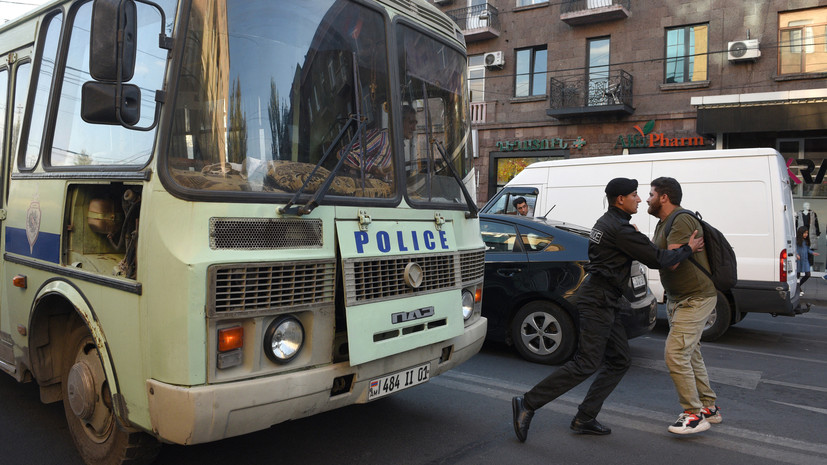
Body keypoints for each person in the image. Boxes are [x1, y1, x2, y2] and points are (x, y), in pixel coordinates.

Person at [512, 177, 704, 442]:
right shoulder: (620, 230)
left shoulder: (607, 223)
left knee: (620, 360)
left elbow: (616, 251)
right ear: (620, 200)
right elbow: (658, 259)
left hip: (605, 299)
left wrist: (633, 240)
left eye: (640, 195)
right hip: (598, 301)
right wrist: (688, 249)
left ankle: (585, 417)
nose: (639, 199)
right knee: (586, 362)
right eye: (635, 195)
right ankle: (528, 402)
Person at [647, 176, 720, 435]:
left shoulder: (680, 220)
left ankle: (693, 414)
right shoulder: (663, 223)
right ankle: (709, 407)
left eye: (651, 193)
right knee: (691, 354)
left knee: (675, 354)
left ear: (663, 197)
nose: (647, 198)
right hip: (680, 297)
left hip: (695, 297)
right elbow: (661, 254)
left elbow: (672, 261)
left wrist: (655, 253)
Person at [797, 226, 818, 293]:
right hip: (798, 260)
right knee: (797, 275)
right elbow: (793, 248)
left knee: (808, 274)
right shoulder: (796, 241)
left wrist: (813, 252)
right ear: (801, 233)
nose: (806, 234)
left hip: (805, 260)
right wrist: (796, 254)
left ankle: (798, 286)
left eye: (807, 233)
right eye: (805, 233)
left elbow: (808, 250)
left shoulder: (806, 241)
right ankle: (798, 288)